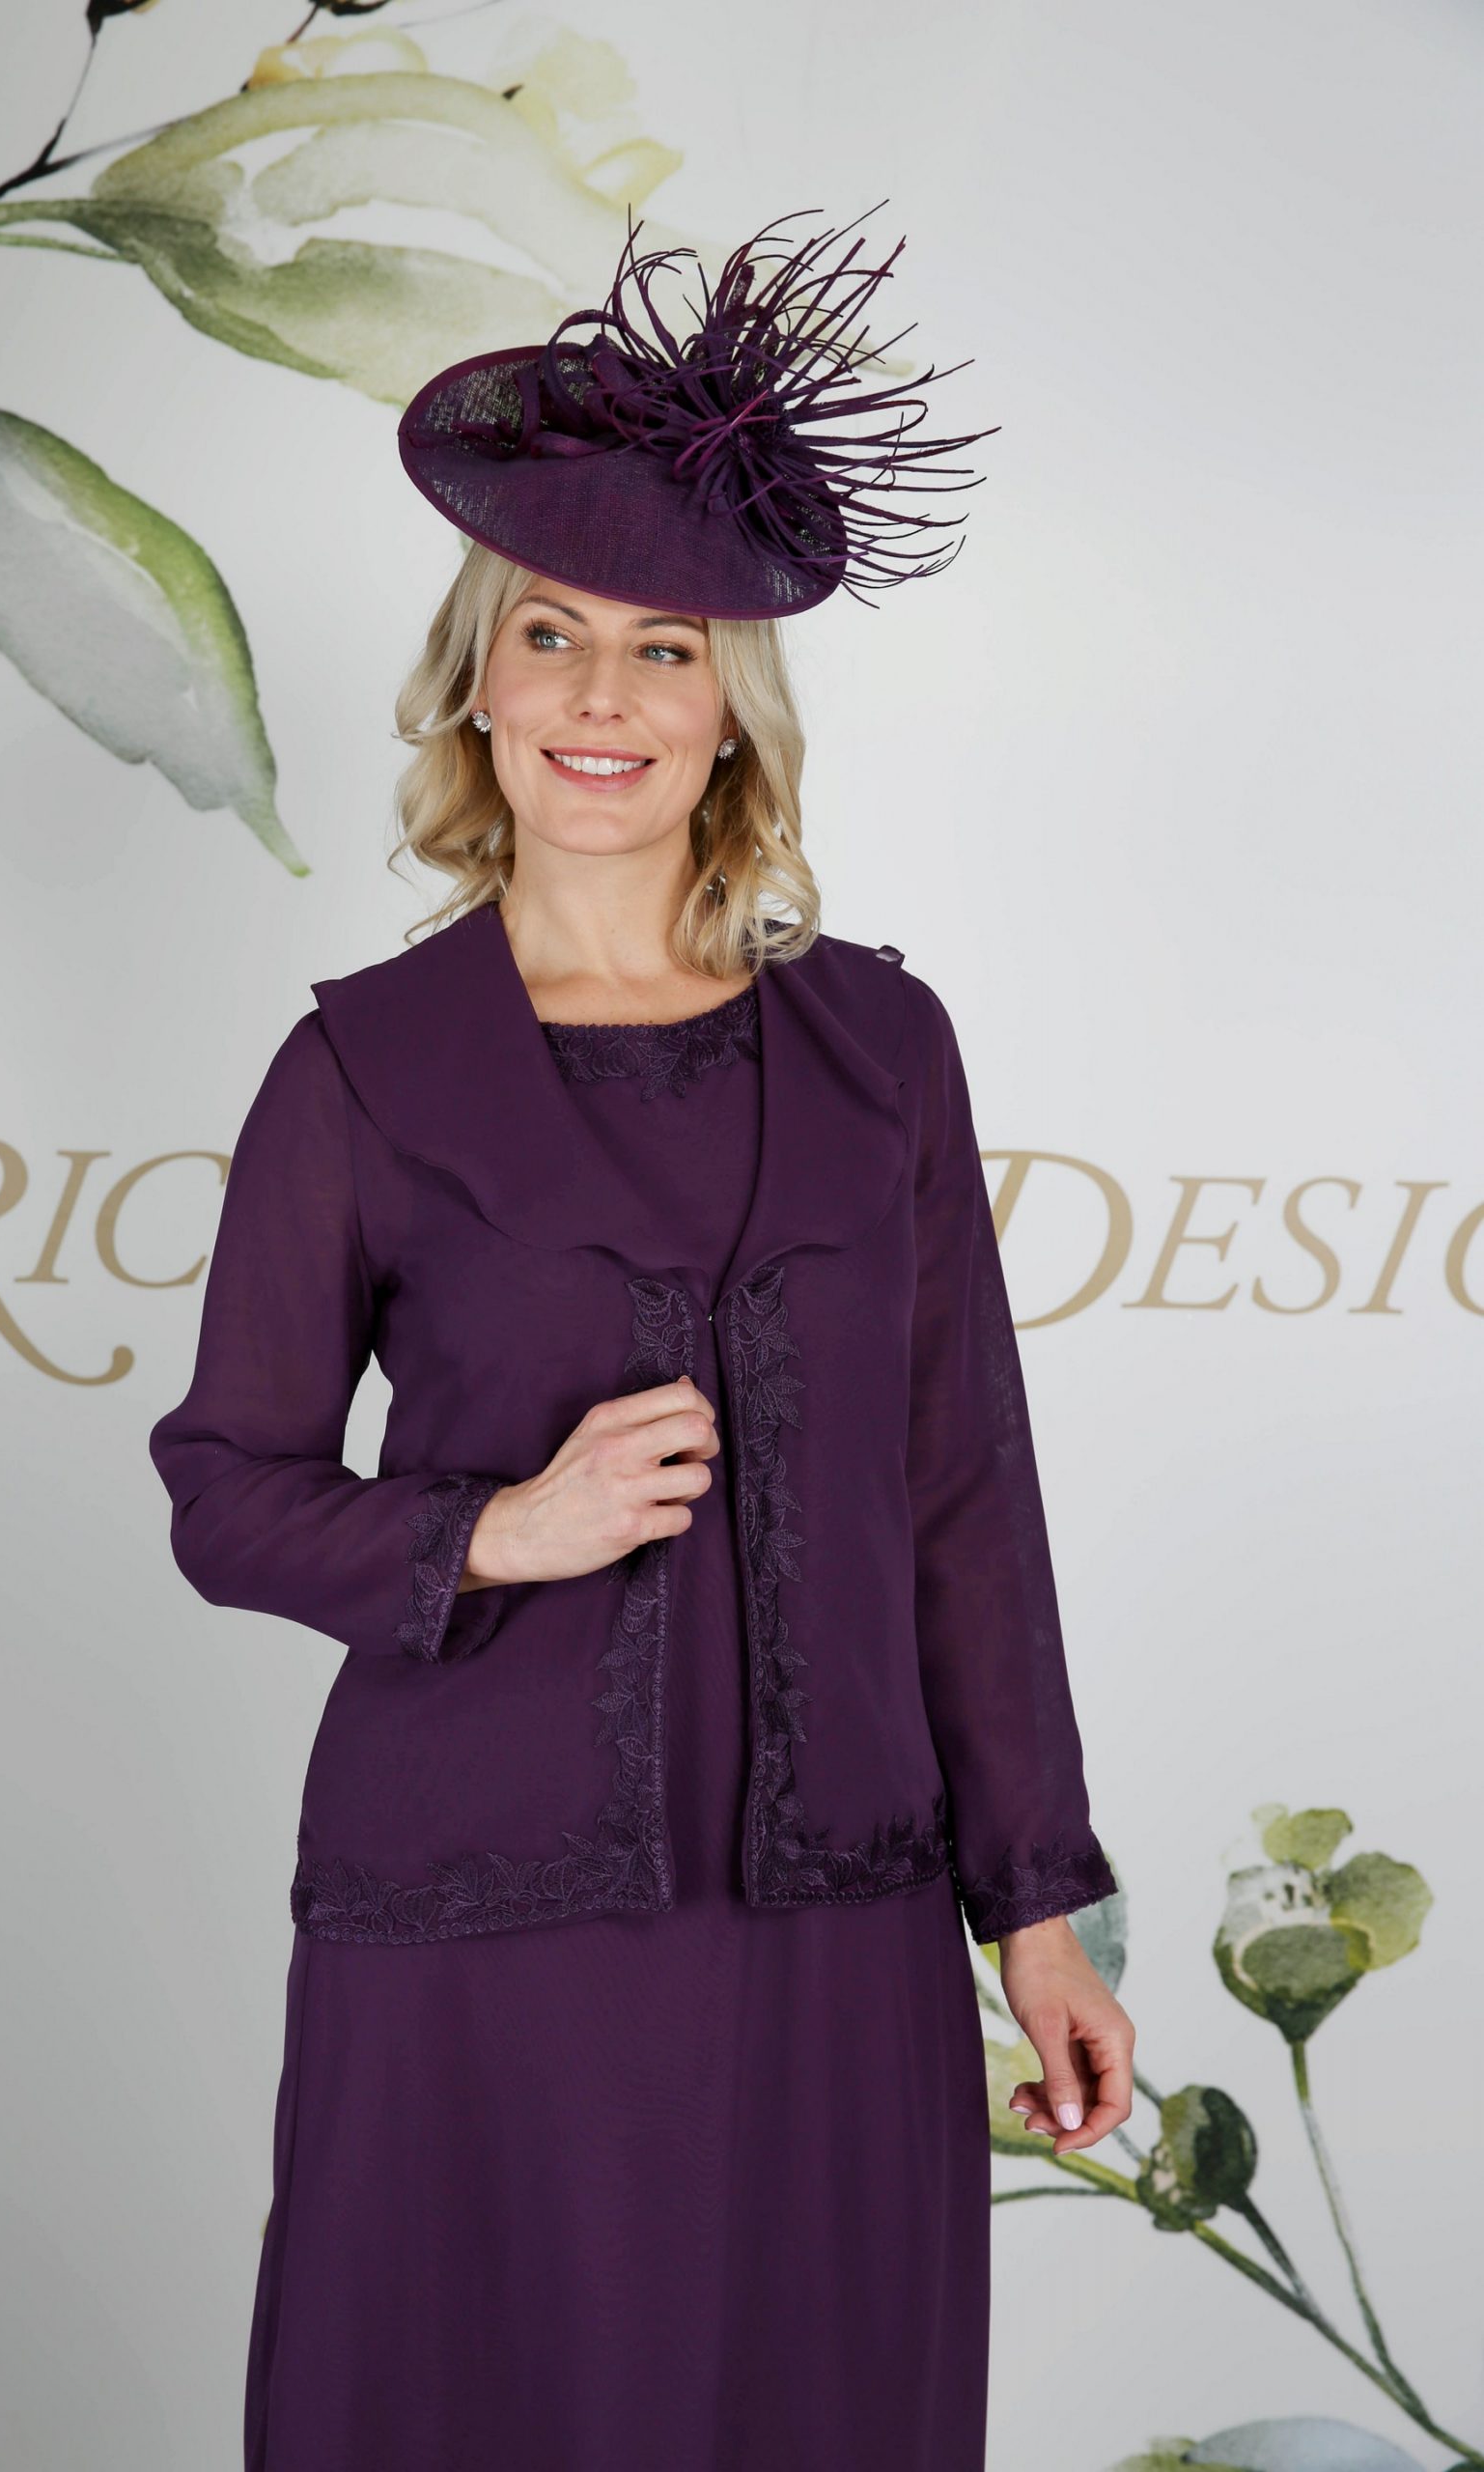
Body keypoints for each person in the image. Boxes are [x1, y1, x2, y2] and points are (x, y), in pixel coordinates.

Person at [150, 201, 1134, 2472]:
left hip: (832, 1925)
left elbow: (961, 1494)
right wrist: (492, 1527)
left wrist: (1038, 1909)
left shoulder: (882, 1050)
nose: (601, 699)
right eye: (551, 638)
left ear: (726, 711)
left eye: (662, 649)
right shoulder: (360, 1068)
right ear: (477, 686)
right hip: (478, 1923)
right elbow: (225, 1488)